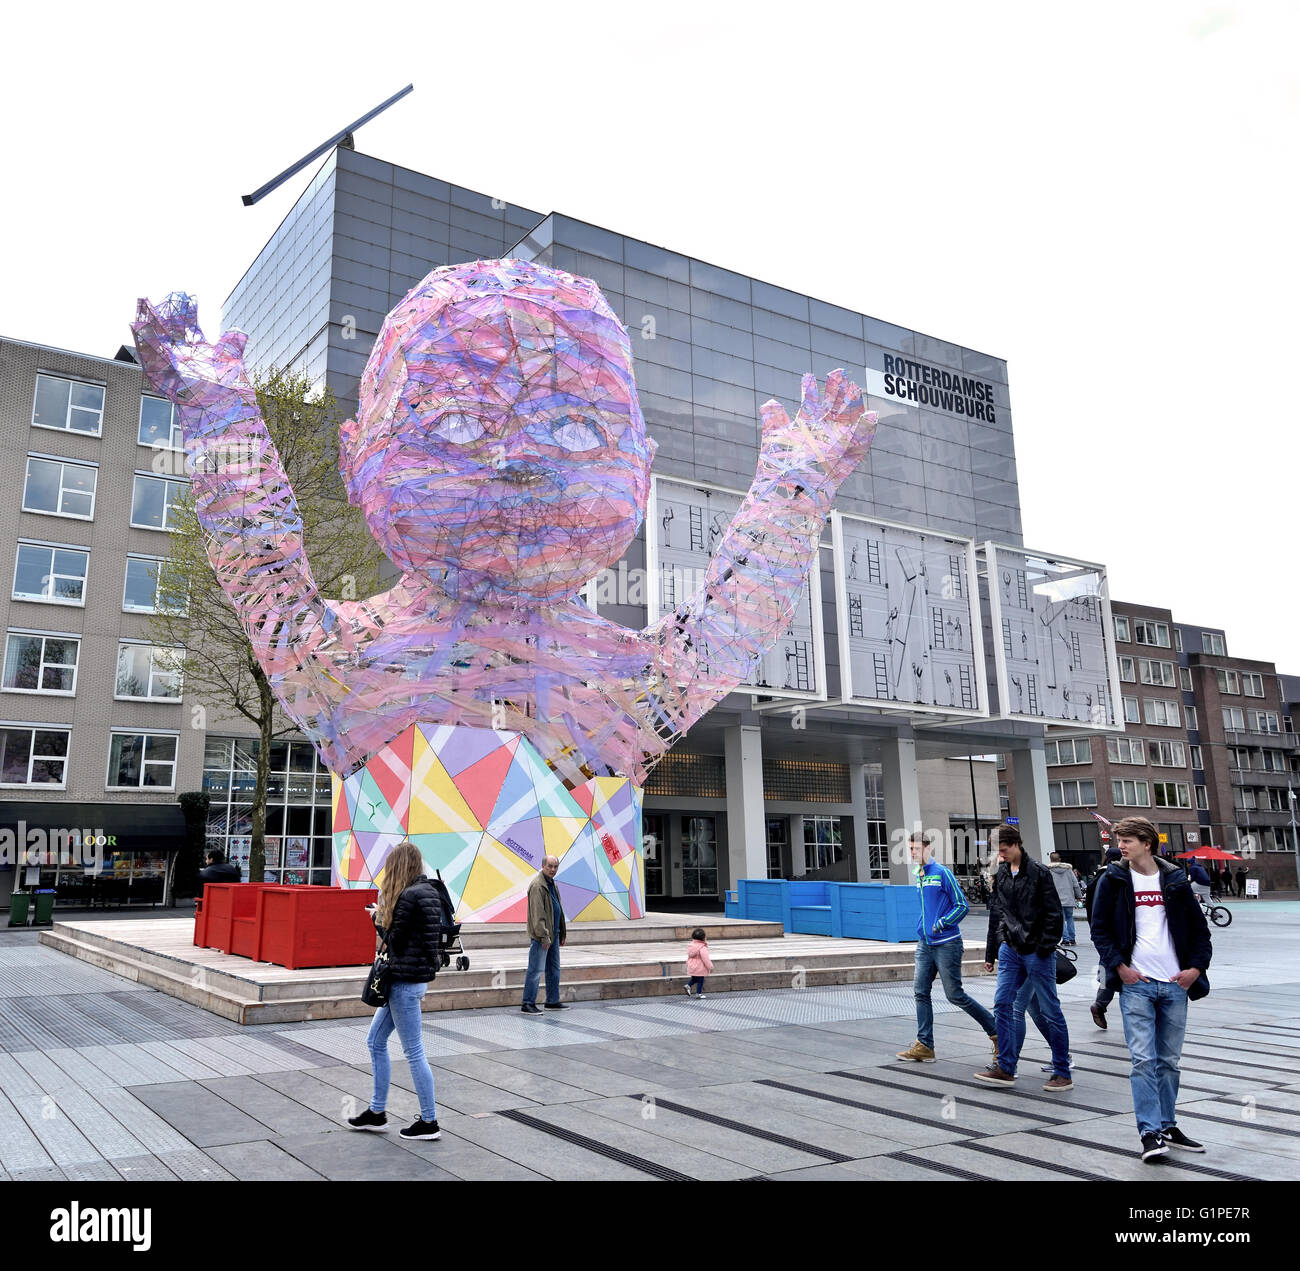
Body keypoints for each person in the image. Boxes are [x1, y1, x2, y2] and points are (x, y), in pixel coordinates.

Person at [1090, 816, 1213, 1162]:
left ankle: (1168, 1125)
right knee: (1143, 1061)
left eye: (1128, 840)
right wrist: (1121, 968)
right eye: (1120, 840)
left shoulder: (1173, 879)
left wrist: (1194, 969)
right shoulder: (1113, 879)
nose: (1121, 845)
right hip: (1137, 986)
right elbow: (1100, 930)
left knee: (1169, 1062)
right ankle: (1149, 1133)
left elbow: (1200, 931)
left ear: (1147, 843)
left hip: (1175, 984)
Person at [348, 840, 444, 1141]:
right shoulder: (430, 891)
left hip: (403, 983)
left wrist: (376, 918)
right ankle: (376, 1113)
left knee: (414, 1051)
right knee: (375, 1041)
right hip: (414, 979)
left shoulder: (408, 897)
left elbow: (396, 940)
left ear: (399, 866)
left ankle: (429, 1121)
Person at [975, 824, 1072, 1091]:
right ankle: (1006, 1067)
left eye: (1003, 849)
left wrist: (1043, 947)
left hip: (1037, 952)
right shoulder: (1003, 873)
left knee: (1050, 1009)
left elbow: (1054, 915)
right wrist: (998, 946)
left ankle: (1062, 1071)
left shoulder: (1039, 872)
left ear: (1015, 844)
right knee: (1002, 1004)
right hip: (1011, 950)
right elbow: (1000, 913)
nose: (1000, 854)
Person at [897, 832, 998, 1064]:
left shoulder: (942, 873)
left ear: (927, 848)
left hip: (947, 944)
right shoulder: (919, 875)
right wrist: (923, 928)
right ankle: (925, 1046)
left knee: (955, 995)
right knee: (920, 992)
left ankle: (996, 1032)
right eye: (910, 849)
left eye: (915, 848)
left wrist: (941, 923)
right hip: (925, 944)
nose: (912, 853)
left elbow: (962, 905)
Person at [522, 855, 567, 1014]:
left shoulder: (551, 884)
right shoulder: (538, 886)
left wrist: (561, 932)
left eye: (555, 866)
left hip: (553, 934)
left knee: (554, 969)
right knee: (536, 969)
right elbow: (538, 915)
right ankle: (527, 1003)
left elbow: (557, 910)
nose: (553, 869)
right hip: (542, 936)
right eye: (550, 866)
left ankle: (552, 1001)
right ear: (543, 866)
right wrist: (544, 936)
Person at [1086, 847, 1122, 1029]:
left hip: (1101, 932)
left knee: (1107, 965)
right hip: (1116, 932)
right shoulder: (1114, 877)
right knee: (1115, 967)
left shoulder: (1095, 880)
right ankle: (1100, 1004)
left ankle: (1100, 1003)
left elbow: (1089, 909)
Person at [1048, 852, 1083, 945]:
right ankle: (1072, 938)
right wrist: (1079, 896)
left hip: (1056, 900)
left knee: (1061, 920)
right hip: (1069, 899)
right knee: (1070, 918)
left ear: (1050, 860)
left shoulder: (1049, 871)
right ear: (1059, 859)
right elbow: (1075, 884)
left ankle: (1066, 939)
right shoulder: (1068, 870)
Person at [685, 927, 713, 998]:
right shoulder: (702, 947)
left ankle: (688, 985)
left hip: (692, 966)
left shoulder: (691, 946)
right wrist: (710, 967)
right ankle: (698, 994)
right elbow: (705, 959)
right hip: (699, 967)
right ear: (703, 938)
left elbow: (689, 956)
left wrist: (687, 963)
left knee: (694, 978)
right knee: (700, 980)